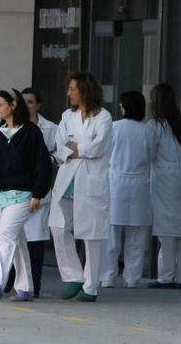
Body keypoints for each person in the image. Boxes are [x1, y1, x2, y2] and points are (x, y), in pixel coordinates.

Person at [0, 89, 52, 302]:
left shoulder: (32, 132)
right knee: (17, 240)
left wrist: (38, 193)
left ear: (13, 106)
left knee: (4, 236)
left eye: (0, 104)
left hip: (22, 195)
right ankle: (25, 289)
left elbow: (42, 165)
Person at [49, 72, 112, 302]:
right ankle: (73, 275)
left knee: (91, 233)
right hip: (68, 176)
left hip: (91, 179)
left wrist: (79, 148)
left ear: (85, 90)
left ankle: (91, 286)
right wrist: (77, 149)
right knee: (58, 226)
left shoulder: (103, 117)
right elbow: (61, 145)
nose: (69, 93)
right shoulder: (67, 116)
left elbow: (99, 148)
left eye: (73, 89)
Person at [147, 83, 181, 289]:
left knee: (167, 229)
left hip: (165, 179)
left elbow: (150, 153)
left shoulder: (156, 125)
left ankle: (166, 276)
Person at [99, 91, 154, 289]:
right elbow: (152, 156)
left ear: (124, 107)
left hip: (116, 183)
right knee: (137, 235)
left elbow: (105, 154)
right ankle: (132, 278)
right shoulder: (148, 131)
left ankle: (107, 275)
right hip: (140, 184)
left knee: (112, 234)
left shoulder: (114, 127)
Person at [12, 86, 58, 298]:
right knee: (13, 238)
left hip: (39, 190)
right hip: (16, 191)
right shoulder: (11, 125)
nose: (27, 106)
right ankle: (12, 281)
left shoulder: (51, 128)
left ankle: (35, 285)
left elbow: (60, 154)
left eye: (31, 102)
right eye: (24, 102)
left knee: (35, 240)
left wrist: (45, 159)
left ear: (38, 105)